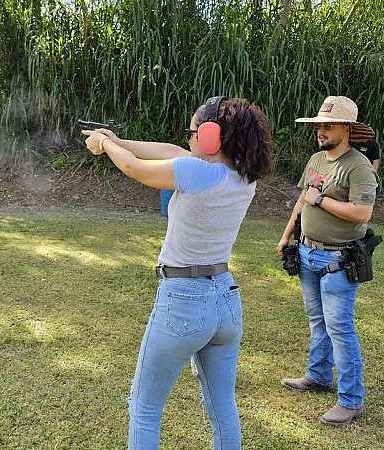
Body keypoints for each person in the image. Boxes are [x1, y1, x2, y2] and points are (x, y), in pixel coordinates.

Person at [82, 96, 273, 449]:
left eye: (193, 132)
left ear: (211, 136)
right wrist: (118, 139)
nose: (189, 139)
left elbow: (133, 168)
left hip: (184, 300)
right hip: (225, 300)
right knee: (222, 408)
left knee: (145, 408)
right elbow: (171, 150)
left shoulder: (197, 173)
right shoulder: (241, 177)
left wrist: (106, 145)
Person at [276, 96, 378, 426]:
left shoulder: (358, 166)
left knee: (339, 328)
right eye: (318, 125)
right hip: (307, 252)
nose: (320, 130)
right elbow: (302, 200)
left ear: (346, 129)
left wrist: (321, 199)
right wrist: (287, 233)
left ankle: (351, 400)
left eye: (328, 125)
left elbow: (362, 213)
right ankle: (318, 376)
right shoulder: (316, 159)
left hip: (338, 258)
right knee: (317, 321)